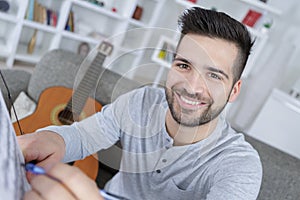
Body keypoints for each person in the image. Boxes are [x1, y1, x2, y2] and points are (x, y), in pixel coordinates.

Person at [19, 7, 262, 200]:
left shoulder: (239, 165)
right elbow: (83, 136)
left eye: (214, 75)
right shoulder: (142, 102)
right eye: (184, 65)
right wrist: (51, 140)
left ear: (234, 90)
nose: (192, 87)